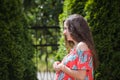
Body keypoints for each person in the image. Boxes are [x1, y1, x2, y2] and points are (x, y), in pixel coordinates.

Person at [53, 14, 98, 80]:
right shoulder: (75, 48)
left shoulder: (82, 46)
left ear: (74, 29)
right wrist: (58, 64)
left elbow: (81, 76)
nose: (64, 32)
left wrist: (62, 67)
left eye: (66, 28)